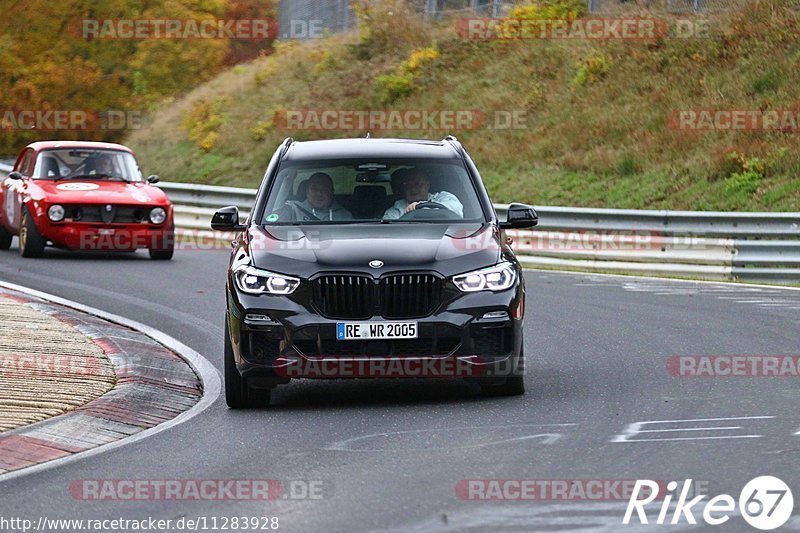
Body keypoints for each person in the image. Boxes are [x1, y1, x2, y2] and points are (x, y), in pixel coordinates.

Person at [270, 170, 353, 222]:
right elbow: (275, 213)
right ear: (306, 191)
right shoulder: (293, 209)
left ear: (332, 192)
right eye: (314, 189)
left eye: (324, 189)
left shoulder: (345, 216)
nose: (319, 193)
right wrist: (288, 180)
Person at [382, 167, 463, 220]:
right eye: (408, 185)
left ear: (427, 185)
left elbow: (457, 211)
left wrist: (420, 206)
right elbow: (387, 227)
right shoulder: (398, 208)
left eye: (417, 184)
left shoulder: (444, 197)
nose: (413, 188)